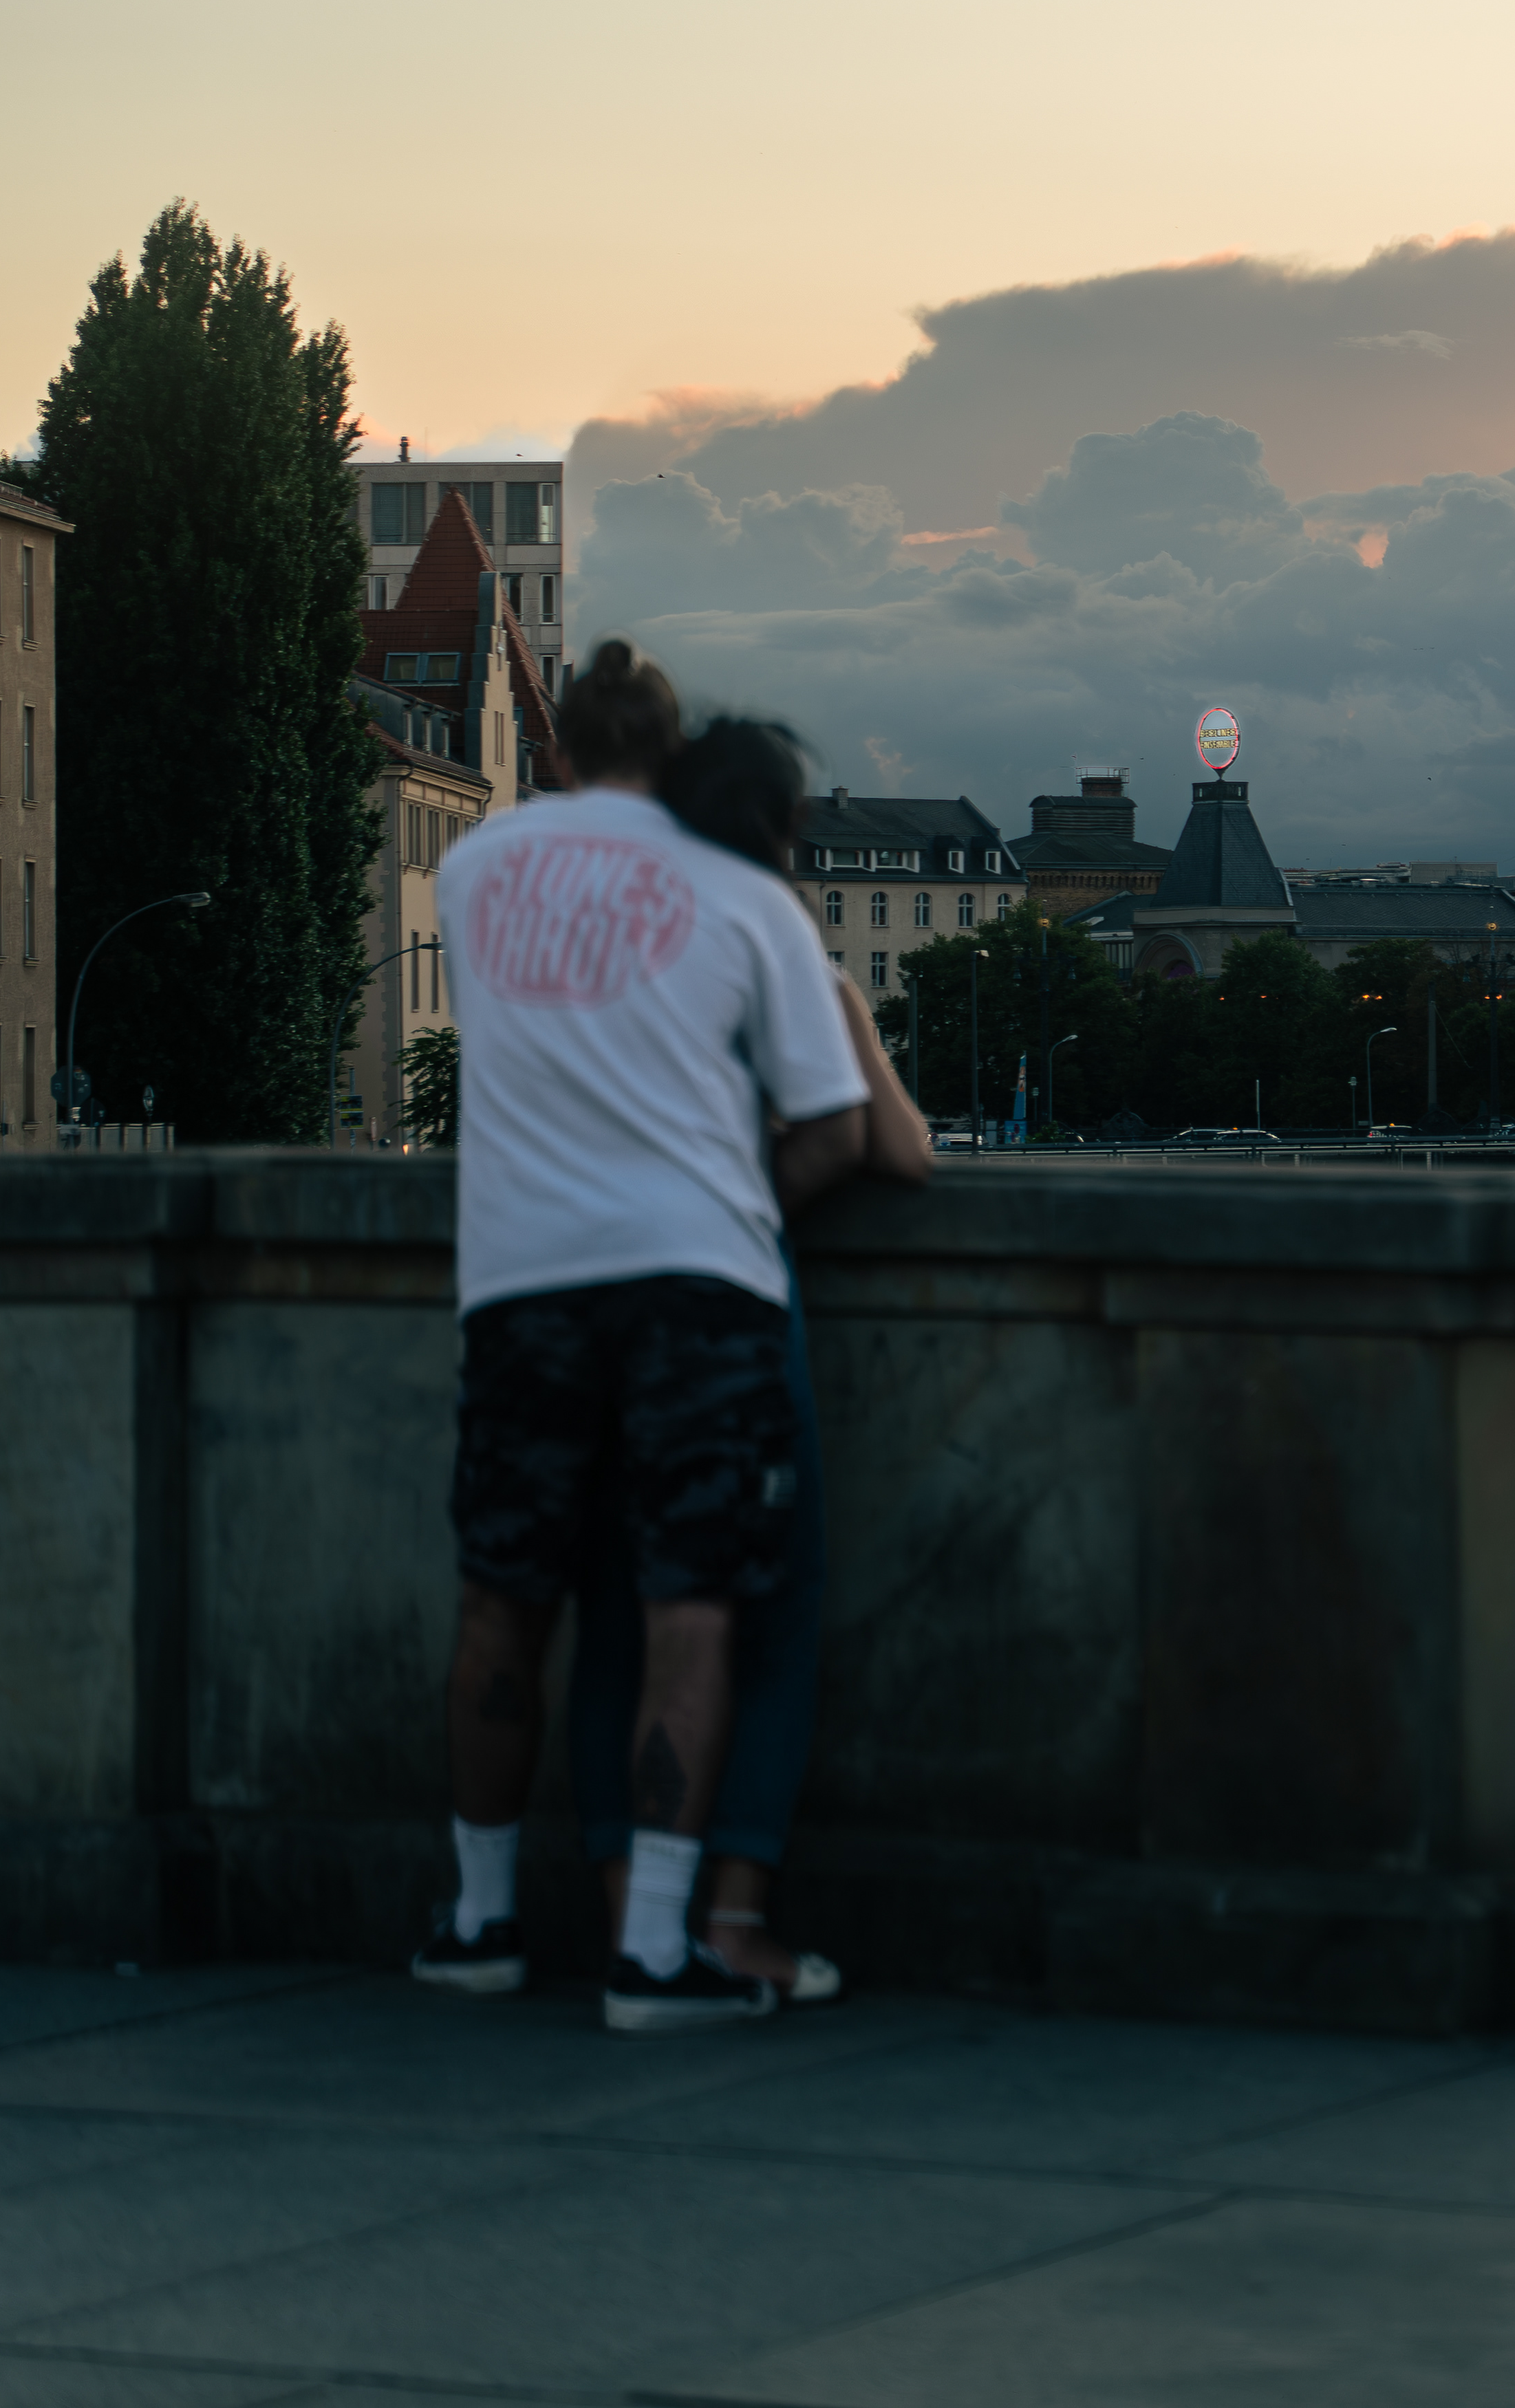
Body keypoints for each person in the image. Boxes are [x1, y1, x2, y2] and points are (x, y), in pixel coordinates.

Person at [411, 642, 883, 2032]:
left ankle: (480, 1920)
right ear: (673, 760)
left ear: (554, 751)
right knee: (694, 1606)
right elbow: (831, 1126)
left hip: (522, 1282)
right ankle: (657, 1954)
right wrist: (732, 1207)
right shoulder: (745, 900)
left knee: (504, 1599)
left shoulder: (478, 868)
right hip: (696, 1289)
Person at [567, 717, 930, 1997]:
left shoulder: (617, 939)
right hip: (722, 1313)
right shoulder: (769, 938)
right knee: (762, 1614)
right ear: (785, 830)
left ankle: (623, 1908)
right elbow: (882, 1145)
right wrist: (846, 1013)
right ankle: (724, 1914)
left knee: (615, 1611)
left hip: (581, 1297)